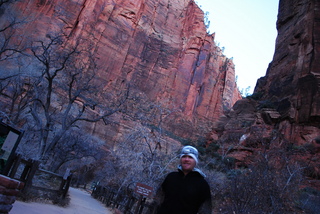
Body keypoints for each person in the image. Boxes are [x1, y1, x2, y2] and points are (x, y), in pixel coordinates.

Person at [155, 145, 212, 214]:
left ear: (195, 161)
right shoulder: (170, 177)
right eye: (184, 156)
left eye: (190, 157)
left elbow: (205, 210)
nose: (186, 159)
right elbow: (158, 200)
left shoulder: (202, 184)